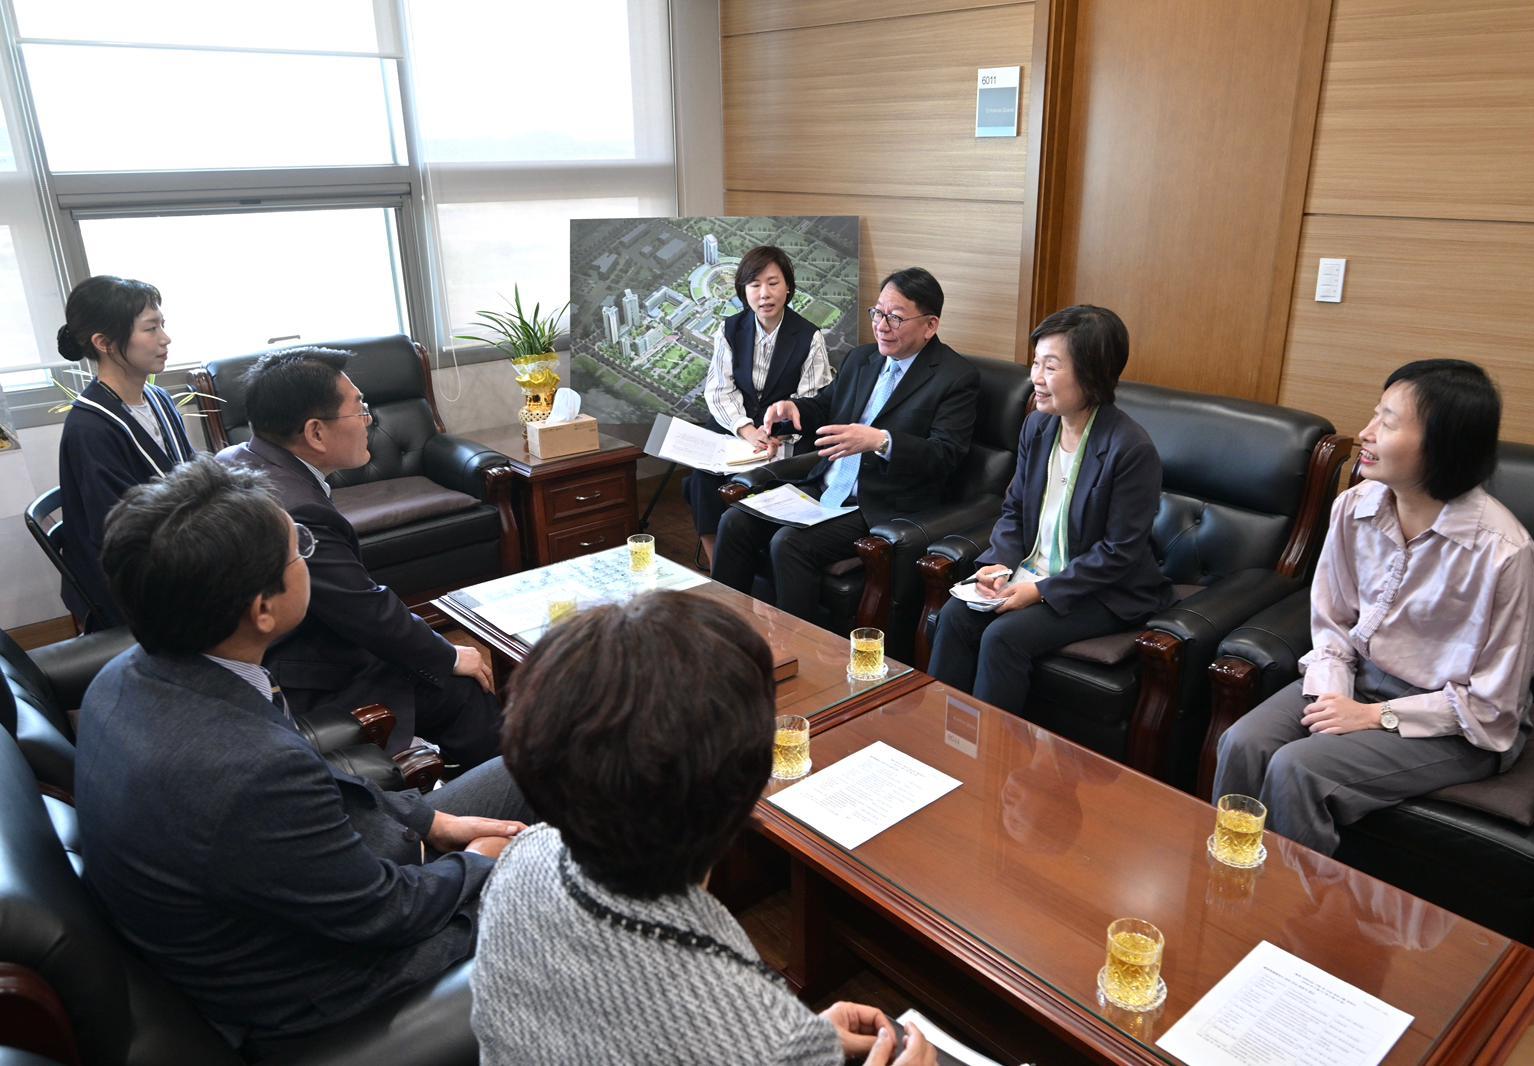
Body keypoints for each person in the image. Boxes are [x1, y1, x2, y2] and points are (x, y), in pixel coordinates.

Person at [74, 457, 531, 1048]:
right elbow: (383, 914)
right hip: (332, 986)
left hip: (323, 880)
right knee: (554, 875)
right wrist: (482, 861)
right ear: (261, 609)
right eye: (300, 551)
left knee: (532, 768)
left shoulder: (126, 676)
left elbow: (319, 786)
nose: (309, 558)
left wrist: (437, 820)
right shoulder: (245, 772)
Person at [472, 590, 932, 1065]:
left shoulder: (519, 860)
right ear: (745, 790)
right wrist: (785, 1041)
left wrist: (795, 1038)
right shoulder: (766, 1041)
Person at [1212, 359, 1534, 855]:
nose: (1365, 433)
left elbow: (1493, 708)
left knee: (1299, 768)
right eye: (1374, 414)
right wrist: (1334, 690)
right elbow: (1332, 620)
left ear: (1443, 444)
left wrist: (1373, 716)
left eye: (1387, 422)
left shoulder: (1502, 551)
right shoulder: (1355, 505)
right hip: (1361, 680)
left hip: (1457, 723)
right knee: (1242, 743)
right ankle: (1228, 888)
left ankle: (1288, 924)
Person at [216, 347, 501, 769]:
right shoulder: (296, 512)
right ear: (315, 432)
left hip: (272, 650)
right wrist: (450, 654)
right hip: (303, 673)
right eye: (359, 408)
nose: (370, 420)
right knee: (462, 689)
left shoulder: (239, 459)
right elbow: (365, 609)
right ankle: (490, 801)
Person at [927, 306, 1173, 715]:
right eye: (1035, 363)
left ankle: (989, 759)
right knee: (955, 615)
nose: (1035, 378)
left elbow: (1119, 552)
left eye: (1051, 367)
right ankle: (936, 739)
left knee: (1003, 635)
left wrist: (1040, 591)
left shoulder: (1131, 449)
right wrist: (997, 564)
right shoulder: (1038, 427)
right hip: (1034, 572)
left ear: (1091, 372)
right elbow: (1014, 508)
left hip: (1103, 591)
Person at [711, 267, 979, 627]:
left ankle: (799, 654)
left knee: (788, 543)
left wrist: (881, 441)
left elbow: (945, 455)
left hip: (879, 503)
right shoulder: (862, 359)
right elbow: (825, 405)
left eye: (895, 317)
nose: (882, 325)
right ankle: (722, 631)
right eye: (878, 313)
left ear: (930, 325)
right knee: (734, 521)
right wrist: (794, 408)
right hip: (825, 486)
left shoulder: (955, 377)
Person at [55, 275, 195, 629]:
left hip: (179, 552)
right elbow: (120, 537)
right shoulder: (90, 428)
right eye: (151, 329)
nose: (165, 338)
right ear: (103, 342)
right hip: (136, 584)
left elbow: (194, 476)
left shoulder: (158, 399)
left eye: (162, 325)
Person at [688, 244, 835, 567]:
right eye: (754, 285)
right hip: (740, 428)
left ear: (788, 288)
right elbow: (718, 389)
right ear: (744, 290)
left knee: (771, 477)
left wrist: (774, 435)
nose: (764, 294)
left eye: (773, 283)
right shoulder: (730, 329)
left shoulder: (808, 336)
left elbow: (810, 399)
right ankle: (718, 567)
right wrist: (746, 429)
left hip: (785, 435)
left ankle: (755, 558)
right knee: (701, 479)